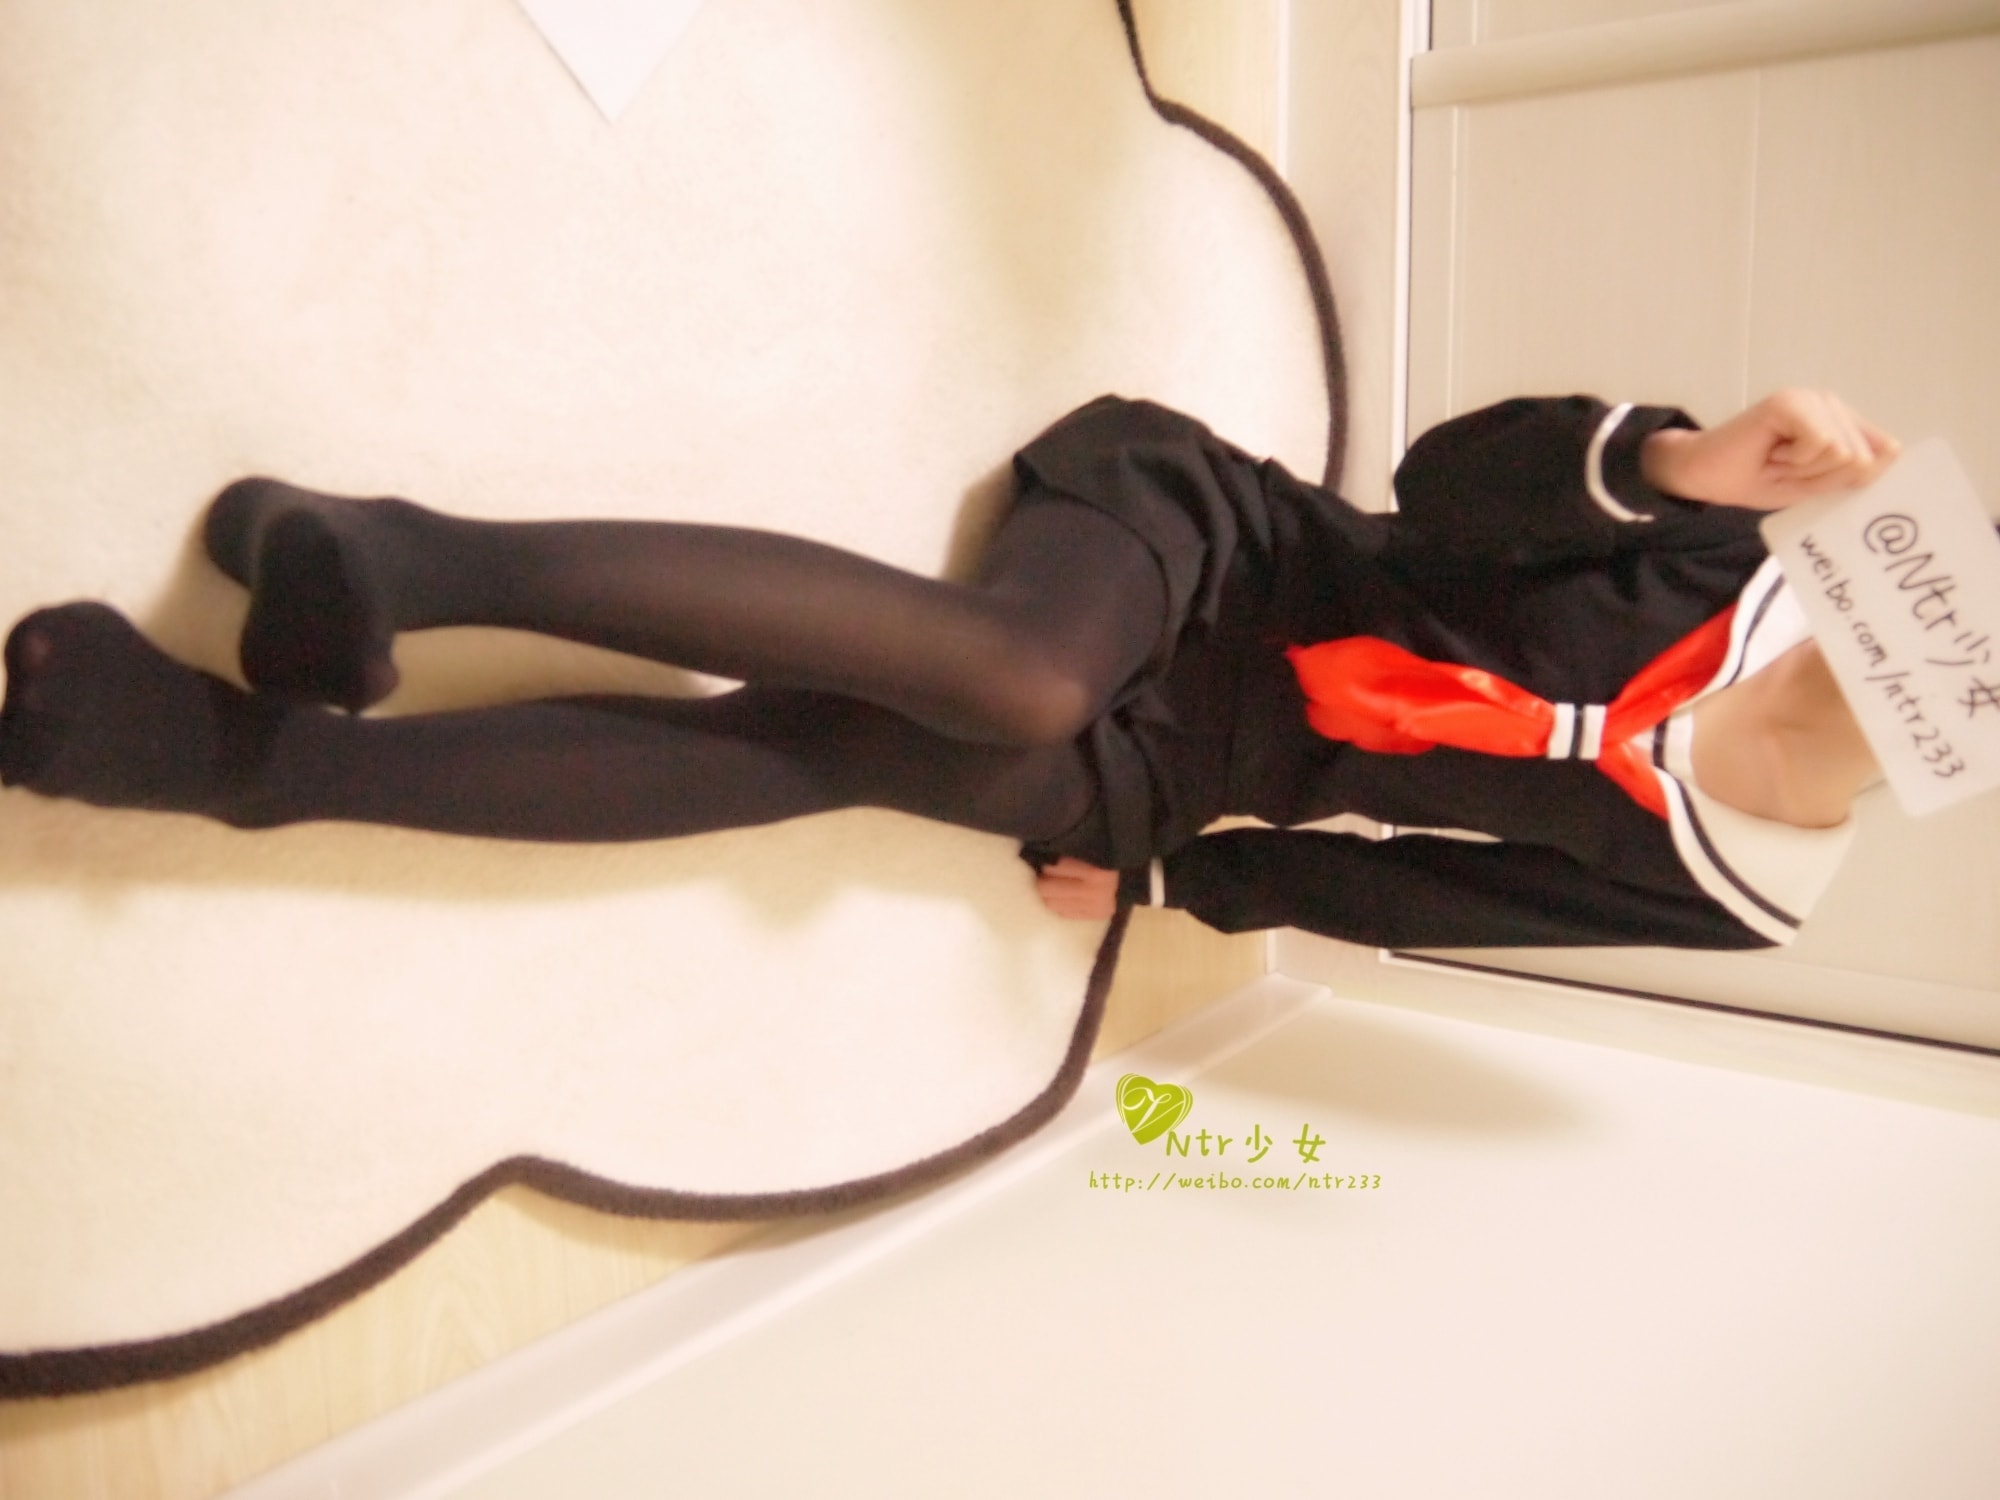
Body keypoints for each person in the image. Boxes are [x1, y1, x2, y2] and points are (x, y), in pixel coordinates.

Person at [0, 388, 1896, 949]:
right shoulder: (1767, 541)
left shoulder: (1755, 898)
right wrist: (1675, 463)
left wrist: (1184, 884)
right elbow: (1444, 488)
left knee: (827, 755)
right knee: (1018, 680)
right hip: (1230, 555)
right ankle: (401, 560)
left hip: (1201, 765)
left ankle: (247, 761)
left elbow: (1426, 898)